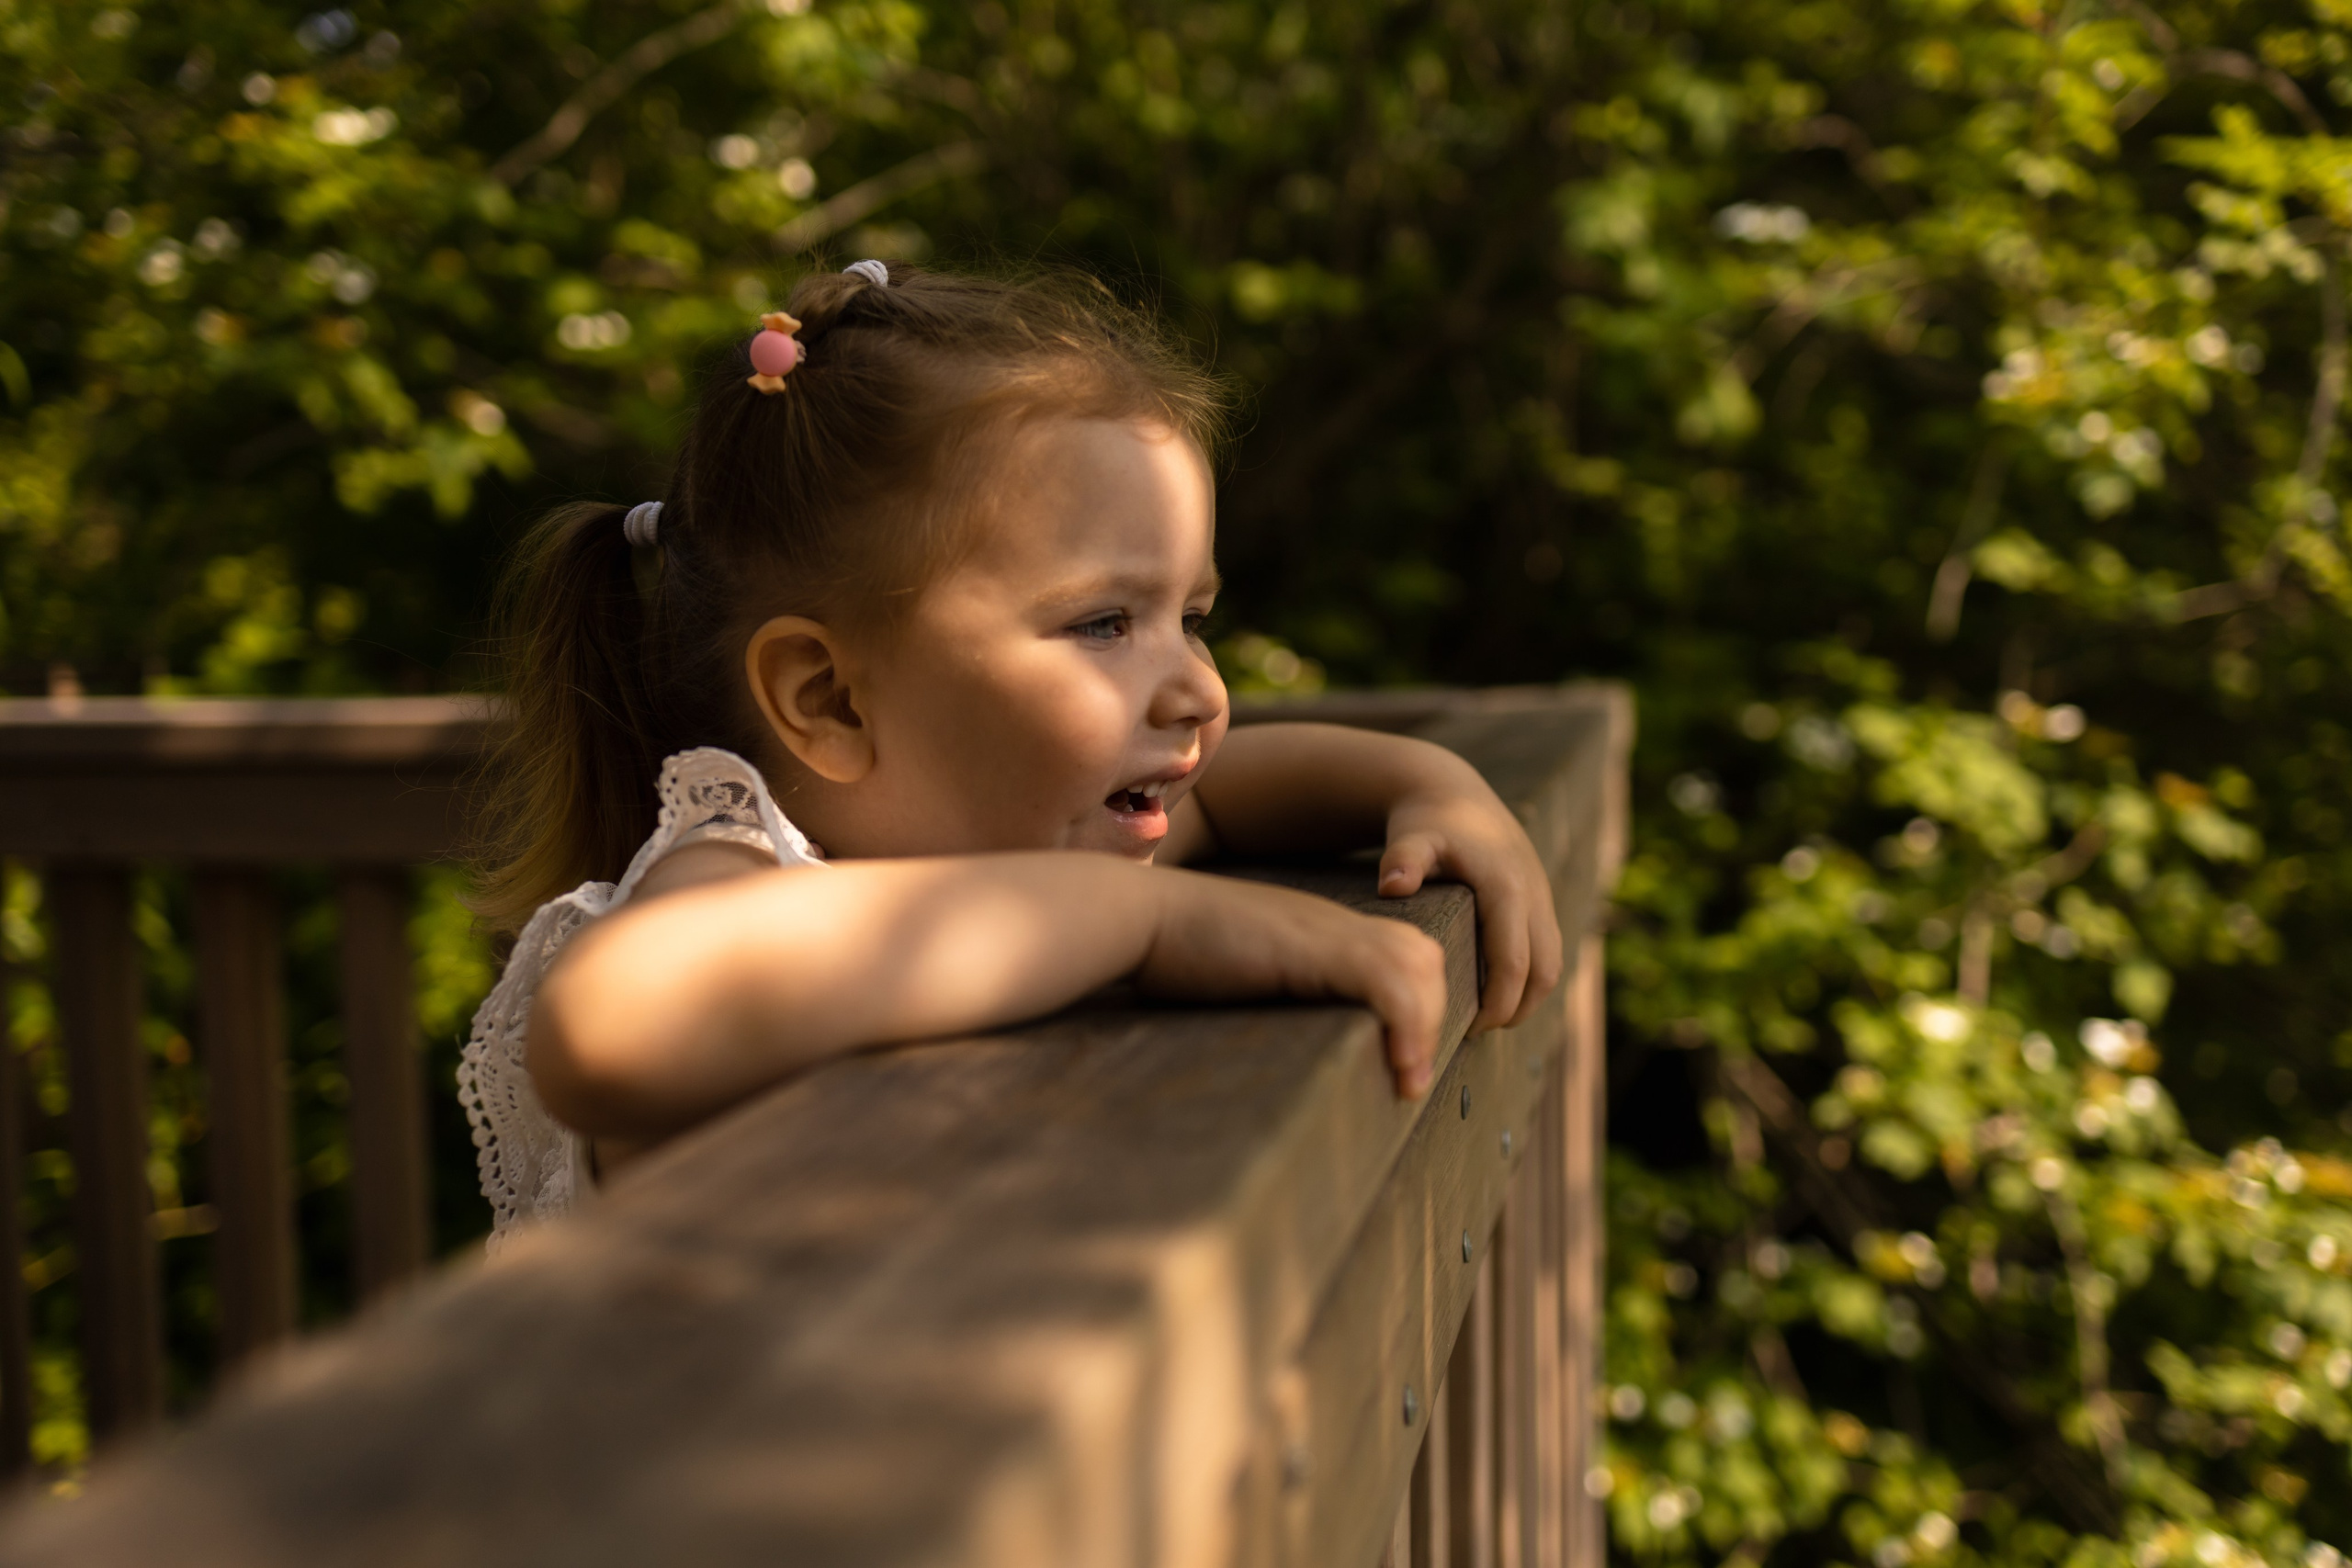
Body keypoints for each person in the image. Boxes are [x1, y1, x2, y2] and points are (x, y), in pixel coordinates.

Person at [458, 261, 1562, 1248]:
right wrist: (1155, 921)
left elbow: (1223, 794)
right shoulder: (737, 867)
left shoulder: (1020, 828)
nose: (1201, 693)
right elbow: (613, 1026)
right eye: (1103, 626)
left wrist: (1424, 782)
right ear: (830, 699)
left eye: (1193, 618)